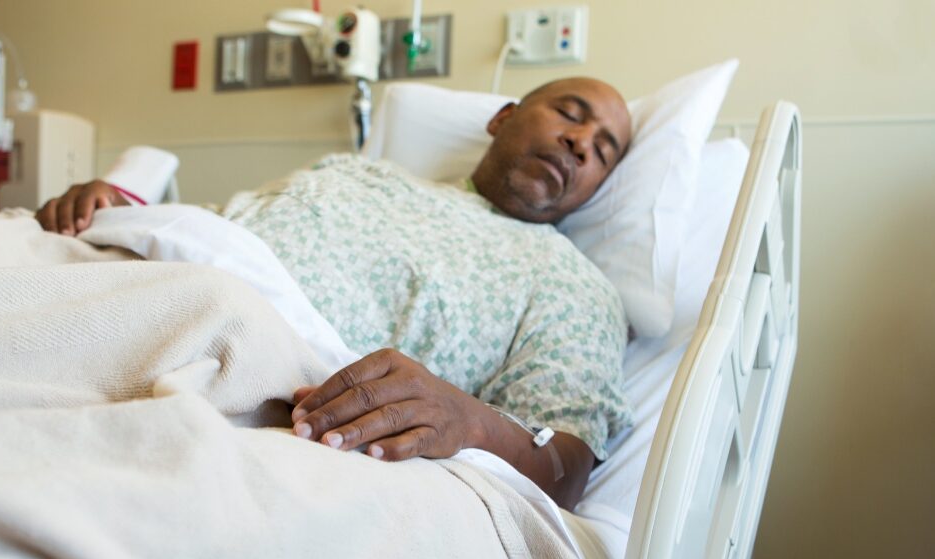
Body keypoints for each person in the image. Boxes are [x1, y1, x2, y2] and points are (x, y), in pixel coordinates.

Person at [37, 78, 633, 511]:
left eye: (603, 151)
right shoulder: (357, 173)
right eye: (569, 113)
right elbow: (215, 230)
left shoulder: (571, 286)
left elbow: (564, 467)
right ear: (503, 117)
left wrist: (468, 421)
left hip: (256, 376)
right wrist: (116, 209)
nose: (582, 143)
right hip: (105, 279)